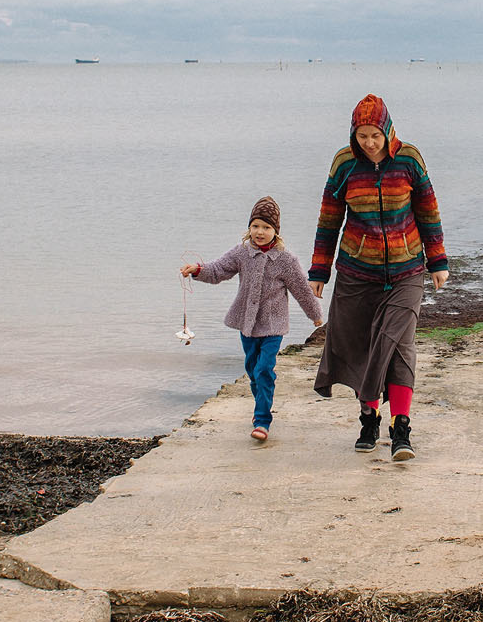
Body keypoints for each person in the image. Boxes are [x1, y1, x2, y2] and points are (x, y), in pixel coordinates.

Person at [310, 94, 449, 460]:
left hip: (407, 270)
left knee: (398, 345)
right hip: (357, 273)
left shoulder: (409, 159)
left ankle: (400, 426)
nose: (369, 143)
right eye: (362, 136)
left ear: (388, 130)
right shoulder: (343, 164)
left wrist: (437, 261)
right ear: (353, 135)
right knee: (362, 346)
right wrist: (319, 270)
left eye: (375, 135)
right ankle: (369, 416)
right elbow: (329, 219)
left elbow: (428, 210)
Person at [182, 197, 323, 443]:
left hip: (273, 326)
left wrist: (316, 315)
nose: (260, 232)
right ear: (249, 227)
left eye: (266, 227)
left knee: (264, 369)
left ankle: (262, 420)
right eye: (256, 226)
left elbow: (302, 289)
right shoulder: (241, 253)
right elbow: (218, 270)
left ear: (275, 231)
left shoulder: (286, 261)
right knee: (252, 371)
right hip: (246, 324)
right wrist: (197, 269)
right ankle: (262, 406)